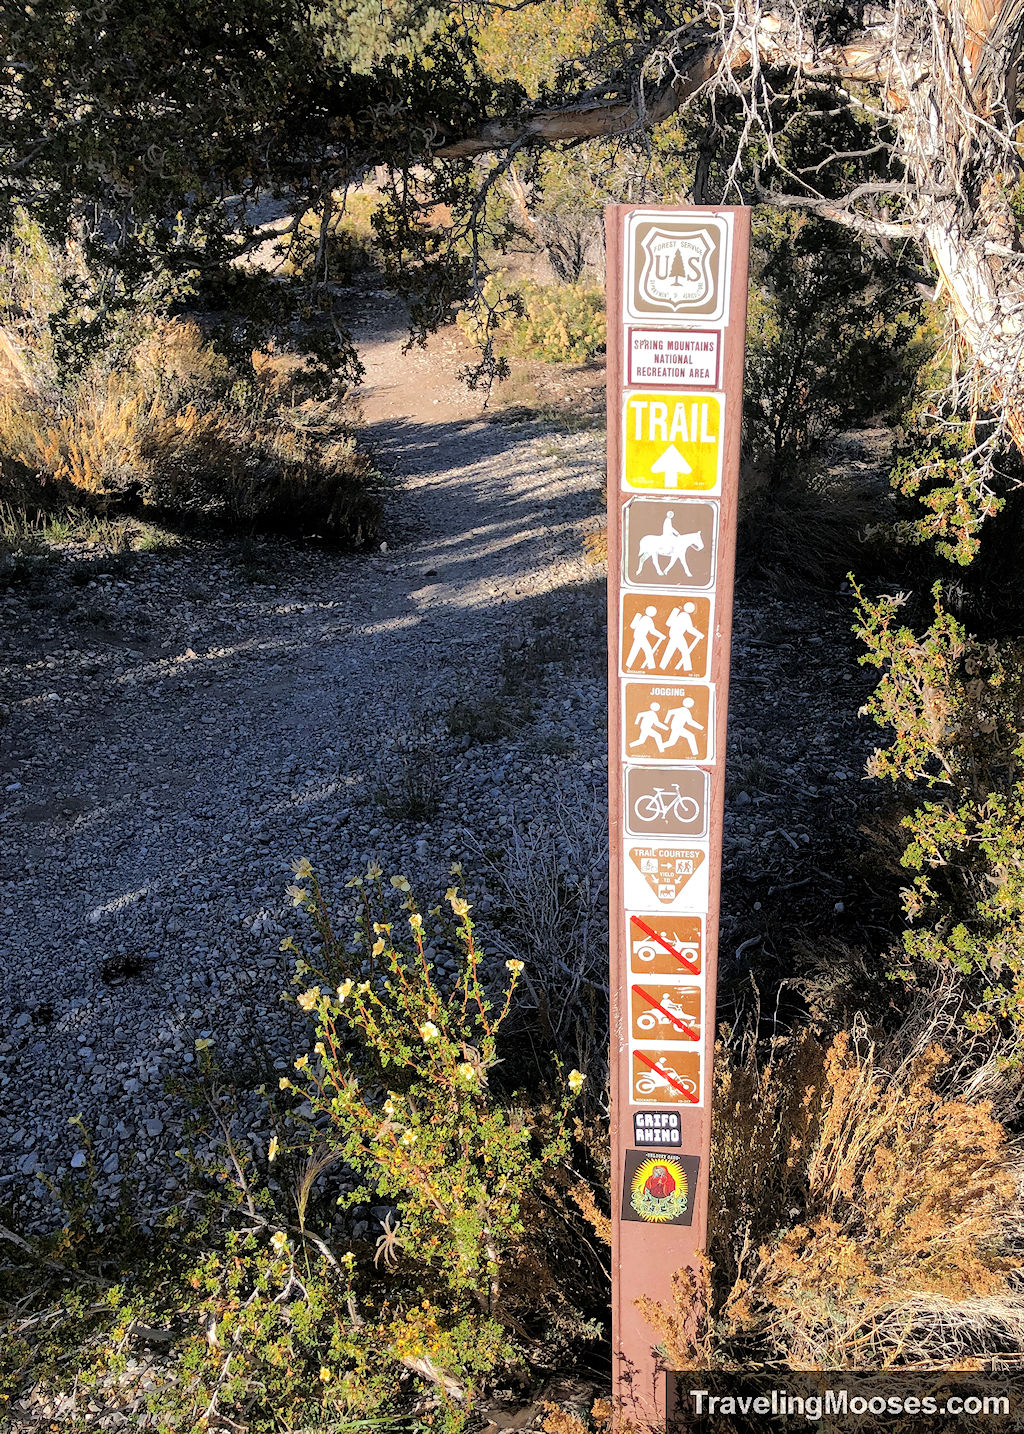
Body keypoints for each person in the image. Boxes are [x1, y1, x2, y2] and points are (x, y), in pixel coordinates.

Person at [660, 602, 702, 672]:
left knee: (669, 651)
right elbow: (689, 629)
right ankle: (687, 669)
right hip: (678, 636)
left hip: (673, 635)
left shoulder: (679, 614)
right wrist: (699, 634)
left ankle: (662, 666)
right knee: (685, 651)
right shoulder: (686, 616)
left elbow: (669, 624)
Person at [626, 605, 666, 670]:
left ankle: (628, 664)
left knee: (635, 650)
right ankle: (651, 666)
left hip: (637, 635)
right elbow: (652, 631)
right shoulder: (648, 620)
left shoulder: (643, 618)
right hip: (641, 636)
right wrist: (661, 636)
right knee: (648, 650)